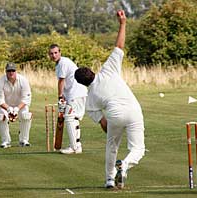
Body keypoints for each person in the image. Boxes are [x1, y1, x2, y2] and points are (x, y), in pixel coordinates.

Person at [74, 10, 145, 189]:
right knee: (138, 149)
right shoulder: (108, 70)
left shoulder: (90, 99)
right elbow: (119, 46)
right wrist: (122, 23)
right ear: (92, 71)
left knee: (111, 146)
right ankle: (126, 165)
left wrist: (114, 130)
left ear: (82, 84)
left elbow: (104, 124)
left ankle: (109, 180)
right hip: (133, 109)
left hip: (114, 115)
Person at [48, 44, 88, 154]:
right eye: (51, 53)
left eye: (56, 53)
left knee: (69, 117)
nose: (54, 55)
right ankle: (77, 146)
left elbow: (61, 81)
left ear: (60, 52)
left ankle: (73, 147)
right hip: (77, 93)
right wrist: (64, 97)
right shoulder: (59, 64)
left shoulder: (62, 63)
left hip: (76, 93)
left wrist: (60, 97)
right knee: (74, 118)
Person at [0, 63, 32, 148]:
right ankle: (5, 141)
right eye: (9, 71)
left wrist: (17, 109)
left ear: (16, 71)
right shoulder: (0, 82)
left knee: (26, 115)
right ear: (6, 71)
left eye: (13, 70)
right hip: (6, 106)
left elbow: (26, 98)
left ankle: (24, 140)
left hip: (20, 105)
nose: (11, 73)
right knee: (0, 116)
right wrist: (8, 109)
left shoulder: (23, 80)